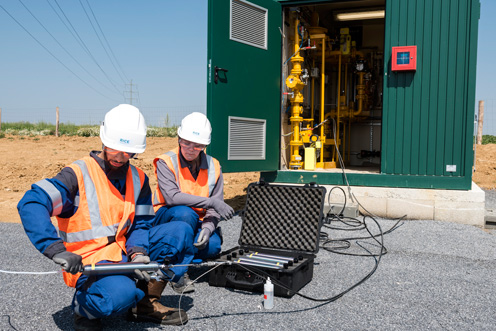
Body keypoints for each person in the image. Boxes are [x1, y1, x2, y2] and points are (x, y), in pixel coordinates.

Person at [17, 104, 189, 331]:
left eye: (129, 152)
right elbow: (32, 203)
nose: (122, 156)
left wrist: (138, 253)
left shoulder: (139, 179)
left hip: (124, 253)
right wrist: (55, 249)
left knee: (179, 231)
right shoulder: (78, 175)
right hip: (89, 262)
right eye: (115, 148)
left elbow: (142, 223)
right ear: (103, 140)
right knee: (122, 294)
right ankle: (84, 309)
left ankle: (145, 304)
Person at [152, 112, 234, 293]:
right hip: (168, 219)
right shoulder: (166, 162)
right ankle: (177, 273)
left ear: (204, 146)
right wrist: (211, 202)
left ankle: (170, 254)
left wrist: (208, 228)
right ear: (179, 138)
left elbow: (215, 209)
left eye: (197, 145)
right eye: (186, 142)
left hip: (195, 223)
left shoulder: (214, 166)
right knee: (185, 212)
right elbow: (173, 197)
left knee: (213, 245)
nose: (190, 148)